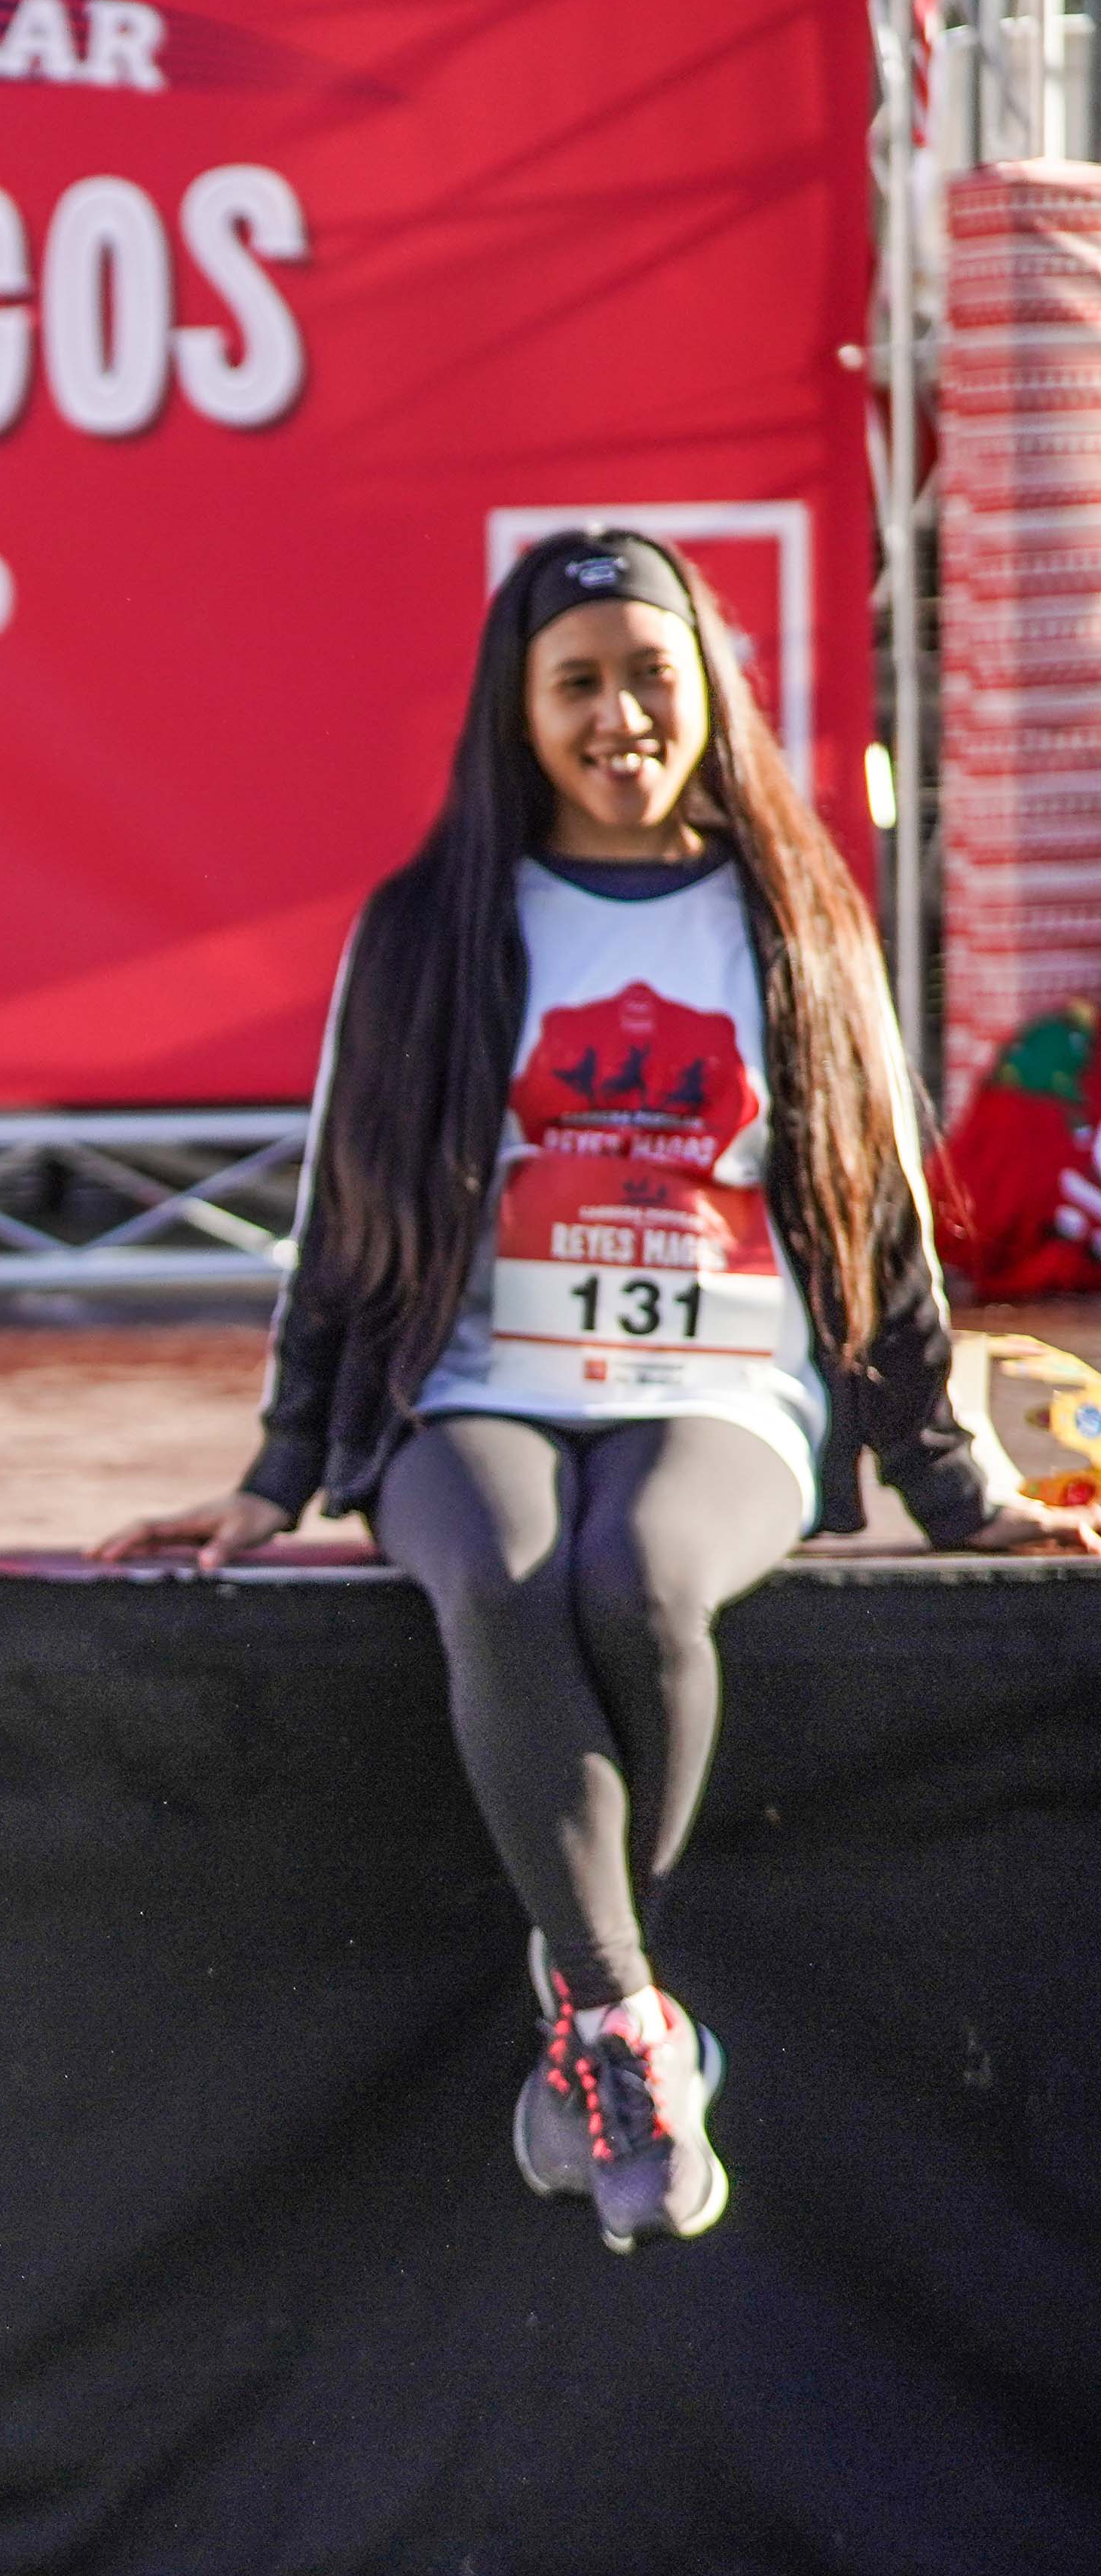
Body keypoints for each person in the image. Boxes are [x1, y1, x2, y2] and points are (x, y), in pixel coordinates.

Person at [96, 528, 1101, 2257]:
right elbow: (350, 1207)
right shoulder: (431, 923)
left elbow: (872, 1215)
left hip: (725, 1386)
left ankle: (584, 2014)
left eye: (652, 674)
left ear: (707, 690)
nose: (621, 714)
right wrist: (275, 1470)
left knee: (640, 1580)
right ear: (521, 710)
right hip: (474, 1380)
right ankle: (635, 2023)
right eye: (580, 682)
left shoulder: (795, 914)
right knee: (498, 1567)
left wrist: (952, 1484)